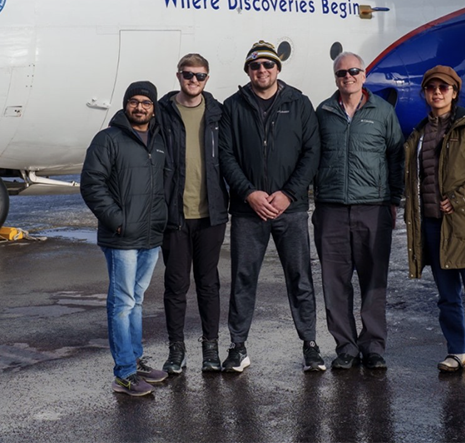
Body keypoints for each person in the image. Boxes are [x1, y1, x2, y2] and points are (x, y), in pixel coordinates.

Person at [218, 40, 324, 373]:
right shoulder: (233, 106)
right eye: (255, 66)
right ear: (248, 71)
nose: (261, 70)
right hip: (248, 210)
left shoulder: (299, 103)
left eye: (268, 65)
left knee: (300, 277)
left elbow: (312, 152)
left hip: (289, 210)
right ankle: (237, 347)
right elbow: (226, 155)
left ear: (278, 68)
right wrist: (249, 193)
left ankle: (310, 345)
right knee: (243, 278)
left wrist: (289, 194)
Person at [403, 65, 465, 384]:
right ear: (425, 93)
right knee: (447, 297)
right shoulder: (419, 133)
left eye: (443, 88)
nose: (437, 93)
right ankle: (457, 352)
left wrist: (458, 198)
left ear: (454, 92)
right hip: (434, 226)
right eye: (431, 88)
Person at [313, 52, 404, 371]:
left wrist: (394, 199)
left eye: (353, 71)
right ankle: (346, 347)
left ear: (364, 75)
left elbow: (396, 156)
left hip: (373, 208)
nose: (347, 77)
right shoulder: (323, 112)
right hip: (331, 209)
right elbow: (311, 155)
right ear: (335, 78)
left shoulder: (383, 112)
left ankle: (373, 346)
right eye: (341, 73)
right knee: (334, 283)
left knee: (373, 281)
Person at [80, 81, 170, 396]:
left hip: (151, 235)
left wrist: (163, 219)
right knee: (122, 303)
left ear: (153, 108)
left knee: (137, 300)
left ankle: (135, 360)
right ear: (125, 104)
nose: (139, 107)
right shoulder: (108, 139)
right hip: (122, 238)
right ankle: (124, 373)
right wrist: (118, 222)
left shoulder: (159, 141)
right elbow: (92, 183)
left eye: (146, 102)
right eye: (134, 101)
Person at [156, 53, 229, 374]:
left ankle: (210, 348)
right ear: (178, 76)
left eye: (199, 76)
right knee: (175, 285)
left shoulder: (218, 113)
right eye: (188, 74)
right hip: (174, 215)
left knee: (208, 284)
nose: (193, 80)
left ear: (207, 79)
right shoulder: (162, 112)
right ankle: (177, 350)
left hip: (211, 214)